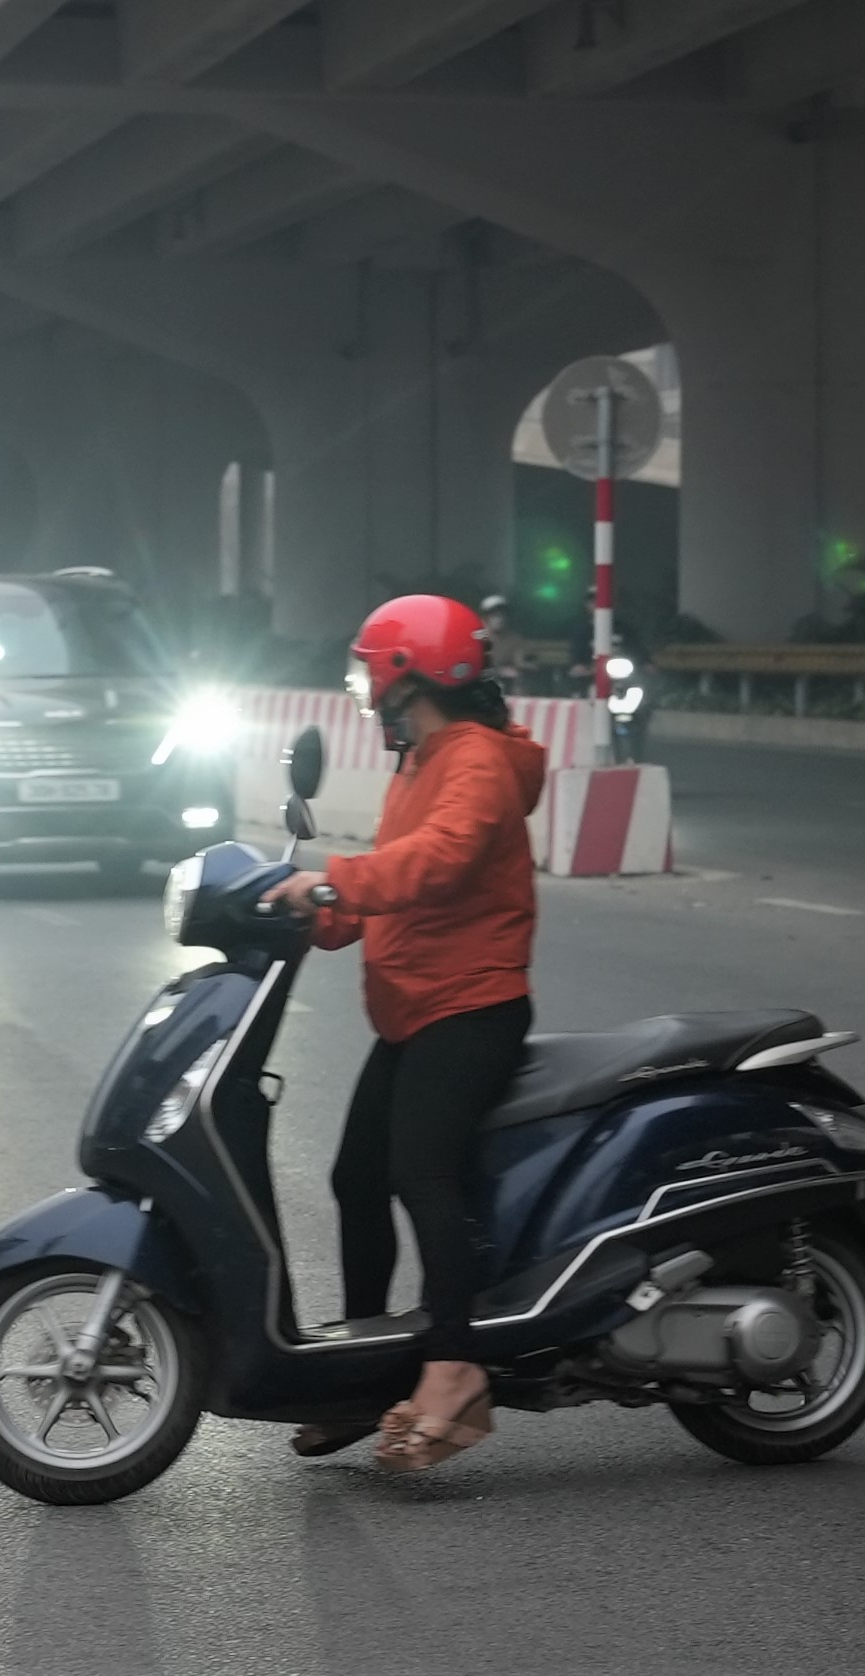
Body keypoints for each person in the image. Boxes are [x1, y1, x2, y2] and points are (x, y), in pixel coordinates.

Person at [271, 594, 547, 1473]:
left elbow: (440, 861)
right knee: (356, 1177)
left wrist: (334, 881)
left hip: (470, 1007)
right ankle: (362, 1371)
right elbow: (395, 891)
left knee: (421, 1173)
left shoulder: (473, 762)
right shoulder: (419, 758)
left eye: (367, 669)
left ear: (404, 676)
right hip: (415, 1007)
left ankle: (455, 1363)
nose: (361, 686)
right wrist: (319, 913)